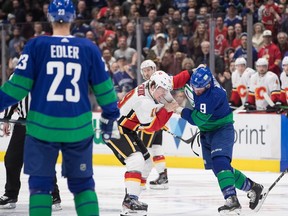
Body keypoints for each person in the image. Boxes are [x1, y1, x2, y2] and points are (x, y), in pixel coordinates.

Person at [0, 0, 120, 216]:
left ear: (50, 18)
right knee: (83, 185)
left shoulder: (36, 46)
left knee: (40, 186)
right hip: (78, 126)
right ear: (73, 18)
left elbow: (16, 88)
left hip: (42, 127)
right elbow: (105, 89)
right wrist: (110, 117)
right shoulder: (89, 48)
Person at [175, 66, 265, 215]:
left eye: (200, 89)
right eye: (194, 87)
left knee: (220, 161)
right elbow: (199, 70)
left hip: (221, 129)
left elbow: (196, 120)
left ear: (208, 85)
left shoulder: (213, 96)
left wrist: (178, 110)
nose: (196, 91)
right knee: (219, 169)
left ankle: (231, 200)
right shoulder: (203, 79)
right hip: (207, 132)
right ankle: (253, 187)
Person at [105, 68, 191, 215]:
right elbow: (152, 127)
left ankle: (133, 198)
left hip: (127, 128)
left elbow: (176, 80)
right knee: (136, 159)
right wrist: (168, 110)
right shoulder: (143, 102)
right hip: (113, 127)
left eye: (166, 91)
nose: (164, 94)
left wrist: (192, 72)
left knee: (147, 162)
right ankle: (130, 201)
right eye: (162, 91)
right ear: (152, 86)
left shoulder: (157, 85)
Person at [138, 59, 194, 190]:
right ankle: (163, 176)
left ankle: (141, 181)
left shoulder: (158, 83)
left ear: (154, 69)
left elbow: (170, 103)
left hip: (152, 123)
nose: (147, 73)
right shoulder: (150, 84)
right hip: (156, 121)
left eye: (149, 70)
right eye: (144, 71)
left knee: (144, 151)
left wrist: (158, 120)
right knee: (156, 148)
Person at [0, 96, 62, 211]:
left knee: (44, 161)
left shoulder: (46, 77)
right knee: (11, 159)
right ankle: (11, 194)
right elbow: (12, 97)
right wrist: (6, 119)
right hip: (22, 123)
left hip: (43, 123)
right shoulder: (16, 77)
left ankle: (53, 195)